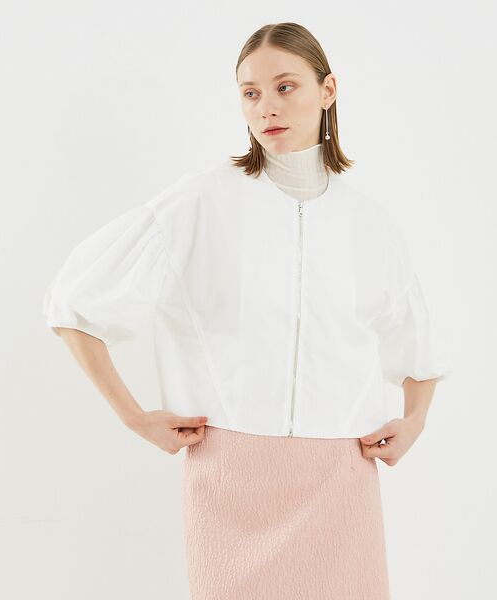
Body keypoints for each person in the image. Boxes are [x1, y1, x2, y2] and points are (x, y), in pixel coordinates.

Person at [43, 22, 453, 600]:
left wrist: (415, 421)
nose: (266, 107)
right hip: (230, 477)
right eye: (250, 92)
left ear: (328, 90)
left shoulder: (369, 222)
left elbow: (417, 345)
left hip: (341, 475)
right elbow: (73, 303)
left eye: (285, 87)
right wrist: (133, 416)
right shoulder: (201, 200)